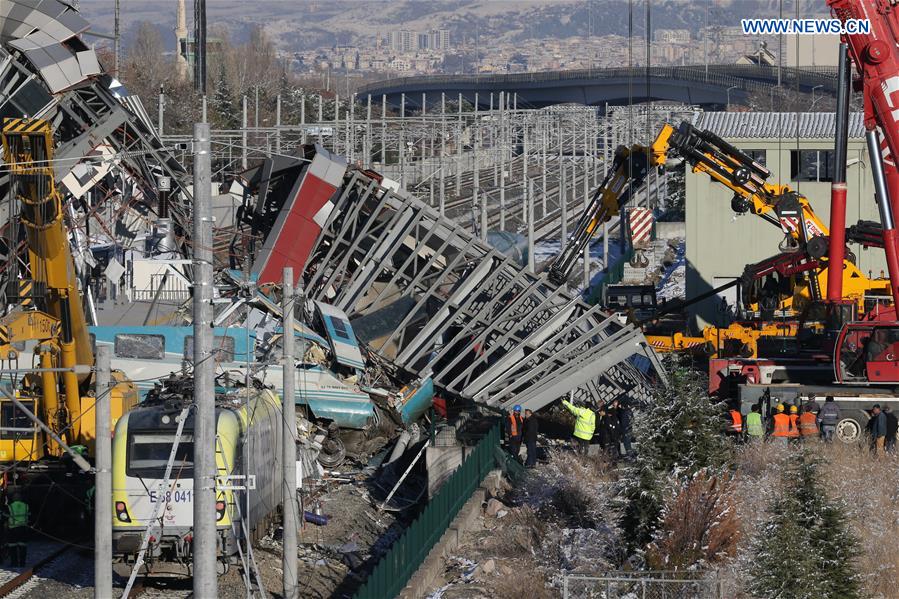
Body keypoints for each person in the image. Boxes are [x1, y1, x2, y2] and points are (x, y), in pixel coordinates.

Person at [6, 490, 28, 567]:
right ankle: (22, 563)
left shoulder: (9, 506)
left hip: (13, 529)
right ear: (21, 498)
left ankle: (14, 563)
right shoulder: (26, 506)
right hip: (23, 528)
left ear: (13, 498)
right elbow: (29, 514)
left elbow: (6, 516)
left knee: (12, 547)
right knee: (22, 547)